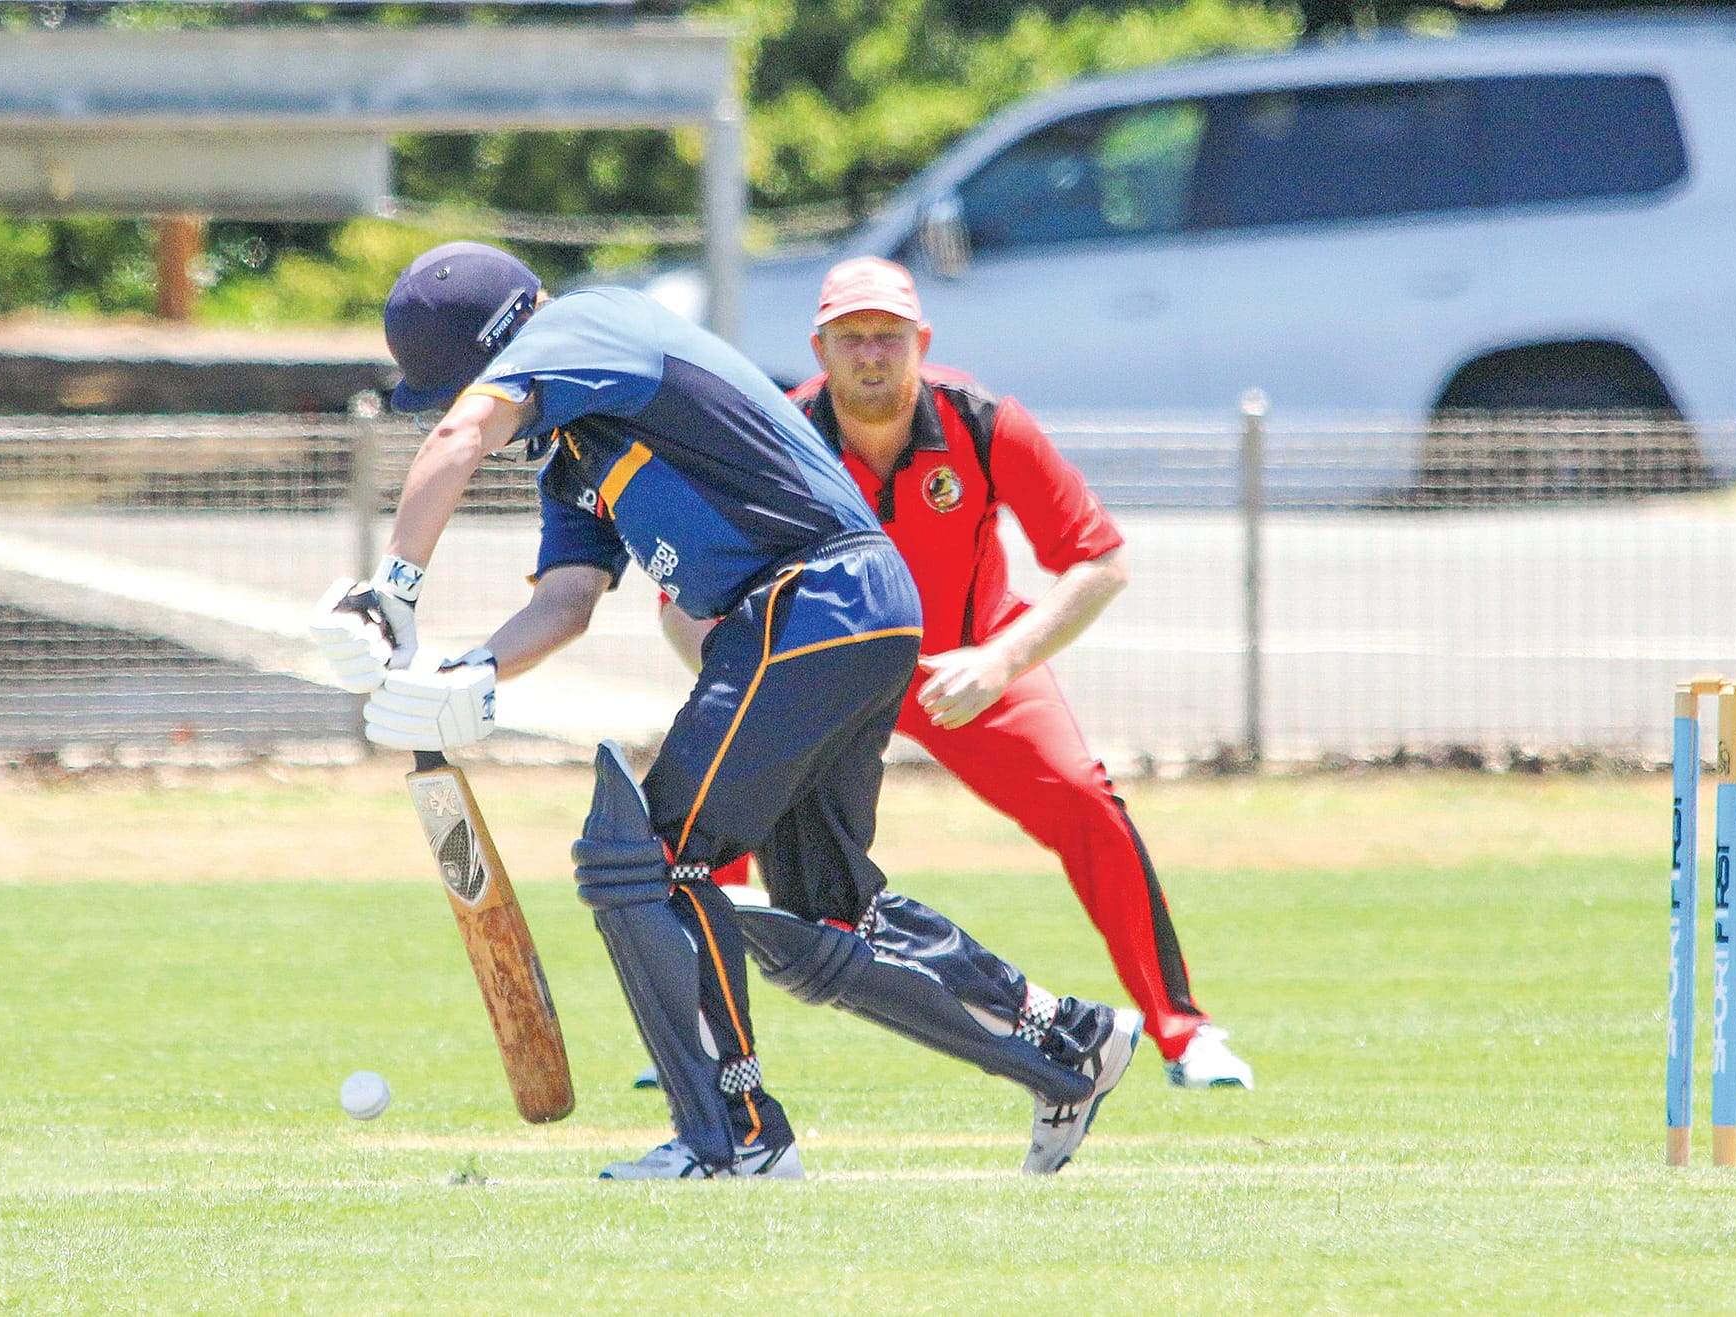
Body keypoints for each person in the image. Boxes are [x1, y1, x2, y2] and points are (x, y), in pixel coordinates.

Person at [307, 241, 1142, 1181]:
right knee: (828, 916)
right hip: (843, 609)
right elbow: (566, 601)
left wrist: (392, 593)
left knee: (647, 859)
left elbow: (459, 436)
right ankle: (1068, 1042)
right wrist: (468, 679)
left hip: (808, 598)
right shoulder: (578, 453)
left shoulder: (588, 324)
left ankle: (734, 1132)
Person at [660, 257, 1253, 1090]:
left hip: (970, 662)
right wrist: (757, 688)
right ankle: (701, 1041)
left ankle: (1183, 1033)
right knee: (715, 820)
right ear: (819, 347)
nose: (871, 356)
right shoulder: (777, 438)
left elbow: (1099, 562)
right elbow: (683, 600)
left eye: (889, 338)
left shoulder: (984, 421)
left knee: (1086, 800)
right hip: (827, 672)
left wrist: (1000, 659)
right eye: (852, 338)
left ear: (922, 342)